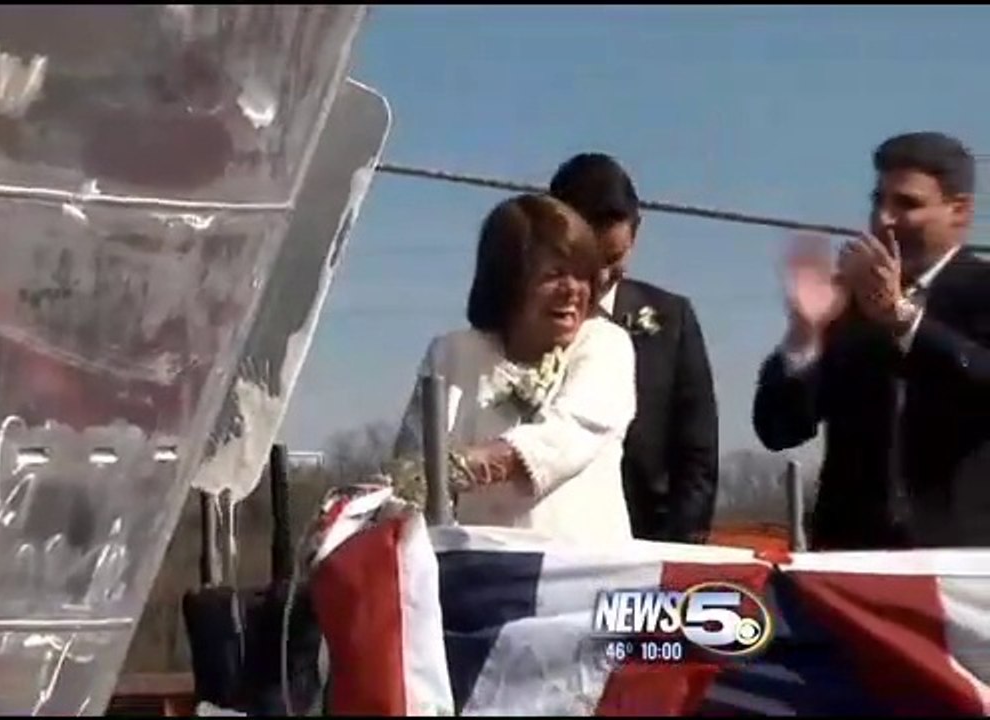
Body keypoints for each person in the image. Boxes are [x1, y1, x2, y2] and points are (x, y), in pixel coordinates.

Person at [752, 131, 990, 549]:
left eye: (907, 204)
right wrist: (804, 334)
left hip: (963, 567)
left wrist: (903, 320)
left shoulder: (982, 290)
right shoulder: (848, 301)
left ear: (960, 211)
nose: (884, 219)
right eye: (878, 201)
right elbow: (779, 429)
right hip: (852, 566)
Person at [392, 193, 637, 544]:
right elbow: (411, 469)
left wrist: (464, 466)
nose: (573, 290)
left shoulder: (606, 345)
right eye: (554, 274)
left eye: (582, 276)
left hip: (581, 578)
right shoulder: (452, 352)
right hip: (480, 576)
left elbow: (570, 434)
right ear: (508, 282)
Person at [548, 153, 720, 544]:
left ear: (635, 233)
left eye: (614, 258)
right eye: (589, 261)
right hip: (553, 544)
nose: (604, 276)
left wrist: (675, 555)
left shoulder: (670, 320)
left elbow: (697, 458)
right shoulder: (522, 322)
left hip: (650, 543)